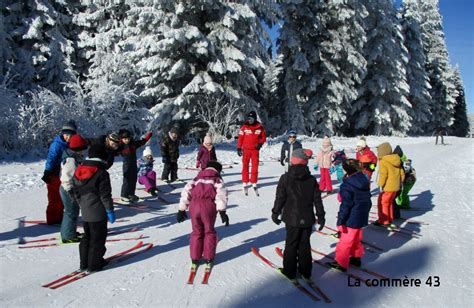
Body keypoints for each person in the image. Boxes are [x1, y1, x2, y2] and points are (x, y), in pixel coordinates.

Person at [271, 148, 326, 281]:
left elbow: (280, 198)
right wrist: (321, 215)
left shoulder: (286, 178)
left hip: (291, 218)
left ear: (292, 161)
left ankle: (289, 271)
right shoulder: (311, 179)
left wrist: (275, 212)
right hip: (306, 218)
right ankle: (305, 272)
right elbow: (317, 200)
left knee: (291, 244)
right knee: (304, 244)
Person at [177, 161, 229, 269]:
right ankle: (208, 257)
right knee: (209, 232)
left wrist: (181, 209)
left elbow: (186, 192)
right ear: (217, 171)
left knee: (196, 232)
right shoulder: (217, 180)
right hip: (208, 207)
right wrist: (222, 211)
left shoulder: (196, 179)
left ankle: (195, 257)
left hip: (194, 206)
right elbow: (221, 195)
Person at [72, 144, 116, 272]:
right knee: (98, 238)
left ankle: (84, 263)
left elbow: (75, 191)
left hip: (85, 210)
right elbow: (105, 195)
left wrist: (82, 203)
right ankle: (94, 265)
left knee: (87, 237)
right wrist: (110, 210)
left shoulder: (79, 170)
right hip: (98, 211)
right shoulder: (102, 173)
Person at [327, 159, 372, 272]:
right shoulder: (364, 179)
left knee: (345, 241)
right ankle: (356, 258)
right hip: (361, 216)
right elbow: (368, 200)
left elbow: (346, 205)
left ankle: (341, 263)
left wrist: (341, 220)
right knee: (356, 239)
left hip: (351, 218)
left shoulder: (348, 185)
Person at [41, 120, 77, 225]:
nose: (68, 137)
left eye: (70, 135)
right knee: (54, 197)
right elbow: (51, 158)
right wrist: (47, 171)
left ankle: (59, 217)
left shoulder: (70, 144)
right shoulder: (57, 144)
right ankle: (53, 219)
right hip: (53, 174)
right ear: (62, 133)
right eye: (66, 135)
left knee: (62, 196)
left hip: (63, 174)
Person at [59, 134, 88, 243]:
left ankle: (68, 232)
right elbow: (66, 177)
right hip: (68, 189)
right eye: (81, 150)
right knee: (71, 212)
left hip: (71, 188)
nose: (82, 152)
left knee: (73, 211)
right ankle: (68, 235)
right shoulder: (71, 160)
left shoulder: (74, 157)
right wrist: (70, 190)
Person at [374, 142, 404, 228]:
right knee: (389, 203)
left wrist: (380, 184)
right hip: (395, 187)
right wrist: (399, 182)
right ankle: (389, 219)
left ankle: (384, 220)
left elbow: (384, 174)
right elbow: (402, 173)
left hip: (387, 187)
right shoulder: (396, 159)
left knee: (382, 203)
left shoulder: (384, 161)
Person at [118, 129, 152, 203]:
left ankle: (131, 194)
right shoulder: (120, 145)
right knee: (127, 179)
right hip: (126, 164)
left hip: (133, 163)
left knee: (133, 178)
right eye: (125, 139)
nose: (127, 140)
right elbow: (112, 149)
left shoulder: (133, 144)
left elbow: (142, 142)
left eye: (128, 138)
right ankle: (124, 195)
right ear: (121, 139)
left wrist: (148, 136)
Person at [237, 111, 267, 191]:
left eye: (251, 118)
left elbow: (263, 137)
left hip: (255, 150)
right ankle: (245, 181)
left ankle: (254, 181)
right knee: (245, 166)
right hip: (246, 150)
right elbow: (240, 138)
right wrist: (239, 148)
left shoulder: (260, 127)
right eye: (248, 118)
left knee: (255, 166)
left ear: (255, 119)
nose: (249, 120)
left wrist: (260, 144)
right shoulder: (244, 127)